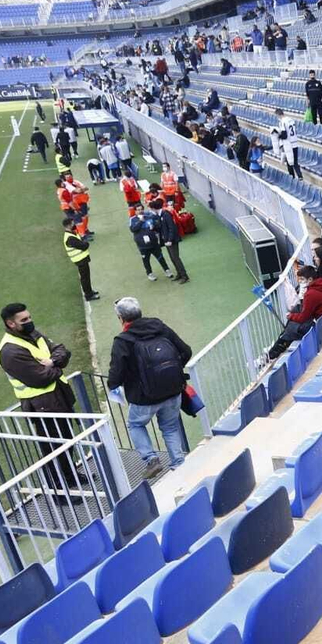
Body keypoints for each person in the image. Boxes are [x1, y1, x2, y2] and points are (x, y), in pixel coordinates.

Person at [0, 303, 81, 495]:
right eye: (24, 320)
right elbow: (39, 378)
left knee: (67, 440)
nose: (29, 321)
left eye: (29, 317)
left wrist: (52, 362)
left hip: (58, 399)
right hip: (42, 407)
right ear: (10, 324)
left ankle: (70, 476)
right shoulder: (9, 351)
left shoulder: (33, 334)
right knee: (52, 449)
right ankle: (58, 491)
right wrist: (58, 366)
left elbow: (61, 350)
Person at [106, 297, 192, 479]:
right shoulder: (160, 327)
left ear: (121, 318)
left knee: (135, 425)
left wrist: (115, 386)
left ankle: (151, 459)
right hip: (173, 390)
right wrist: (172, 371)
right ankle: (180, 464)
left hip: (143, 398)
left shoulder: (123, 340)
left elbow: (116, 372)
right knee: (170, 427)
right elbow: (186, 351)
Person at [266, 264, 322, 359]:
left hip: (318, 323)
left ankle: (272, 353)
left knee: (293, 326)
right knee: (296, 311)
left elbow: (303, 317)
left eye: (302, 279)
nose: (300, 281)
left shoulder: (311, 294)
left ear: (310, 279)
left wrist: (290, 316)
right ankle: (280, 342)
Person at [62, 215, 101, 301]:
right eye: (72, 223)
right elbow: (83, 246)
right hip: (80, 260)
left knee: (86, 276)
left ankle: (90, 291)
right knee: (85, 278)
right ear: (69, 225)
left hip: (82, 259)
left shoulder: (71, 234)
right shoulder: (70, 238)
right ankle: (88, 295)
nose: (74, 224)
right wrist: (85, 243)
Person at [131, 203, 172, 281]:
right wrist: (140, 221)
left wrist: (154, 226)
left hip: (153, 243)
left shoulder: (149, 216)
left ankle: (167, 270)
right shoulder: (133, 219)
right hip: (142, 246)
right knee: (146, 260)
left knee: (160, 257)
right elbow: (133, 229)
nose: (140, 211)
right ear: (135, 211)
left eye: (141, 209)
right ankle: (149, 273)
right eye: (138, 210)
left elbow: (157, 226)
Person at [154, 197, 190, 284]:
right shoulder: (160, 215)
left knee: (176, 258)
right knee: (172, 258)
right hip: (167, 241)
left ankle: (184, 276)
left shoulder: (166, 214)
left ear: (155, 208)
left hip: (172, 241)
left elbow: (172, 228)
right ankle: (179, 274)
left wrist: (170, 239)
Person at [271, 108, 302, 179]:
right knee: (295, 161)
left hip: (289, 144)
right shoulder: (291, 120)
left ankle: (292, 177)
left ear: (278, 115)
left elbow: (284, 135)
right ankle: (300, 176)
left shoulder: (282, 122)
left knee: (290, 162)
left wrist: (278, 135)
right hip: (295, 142)